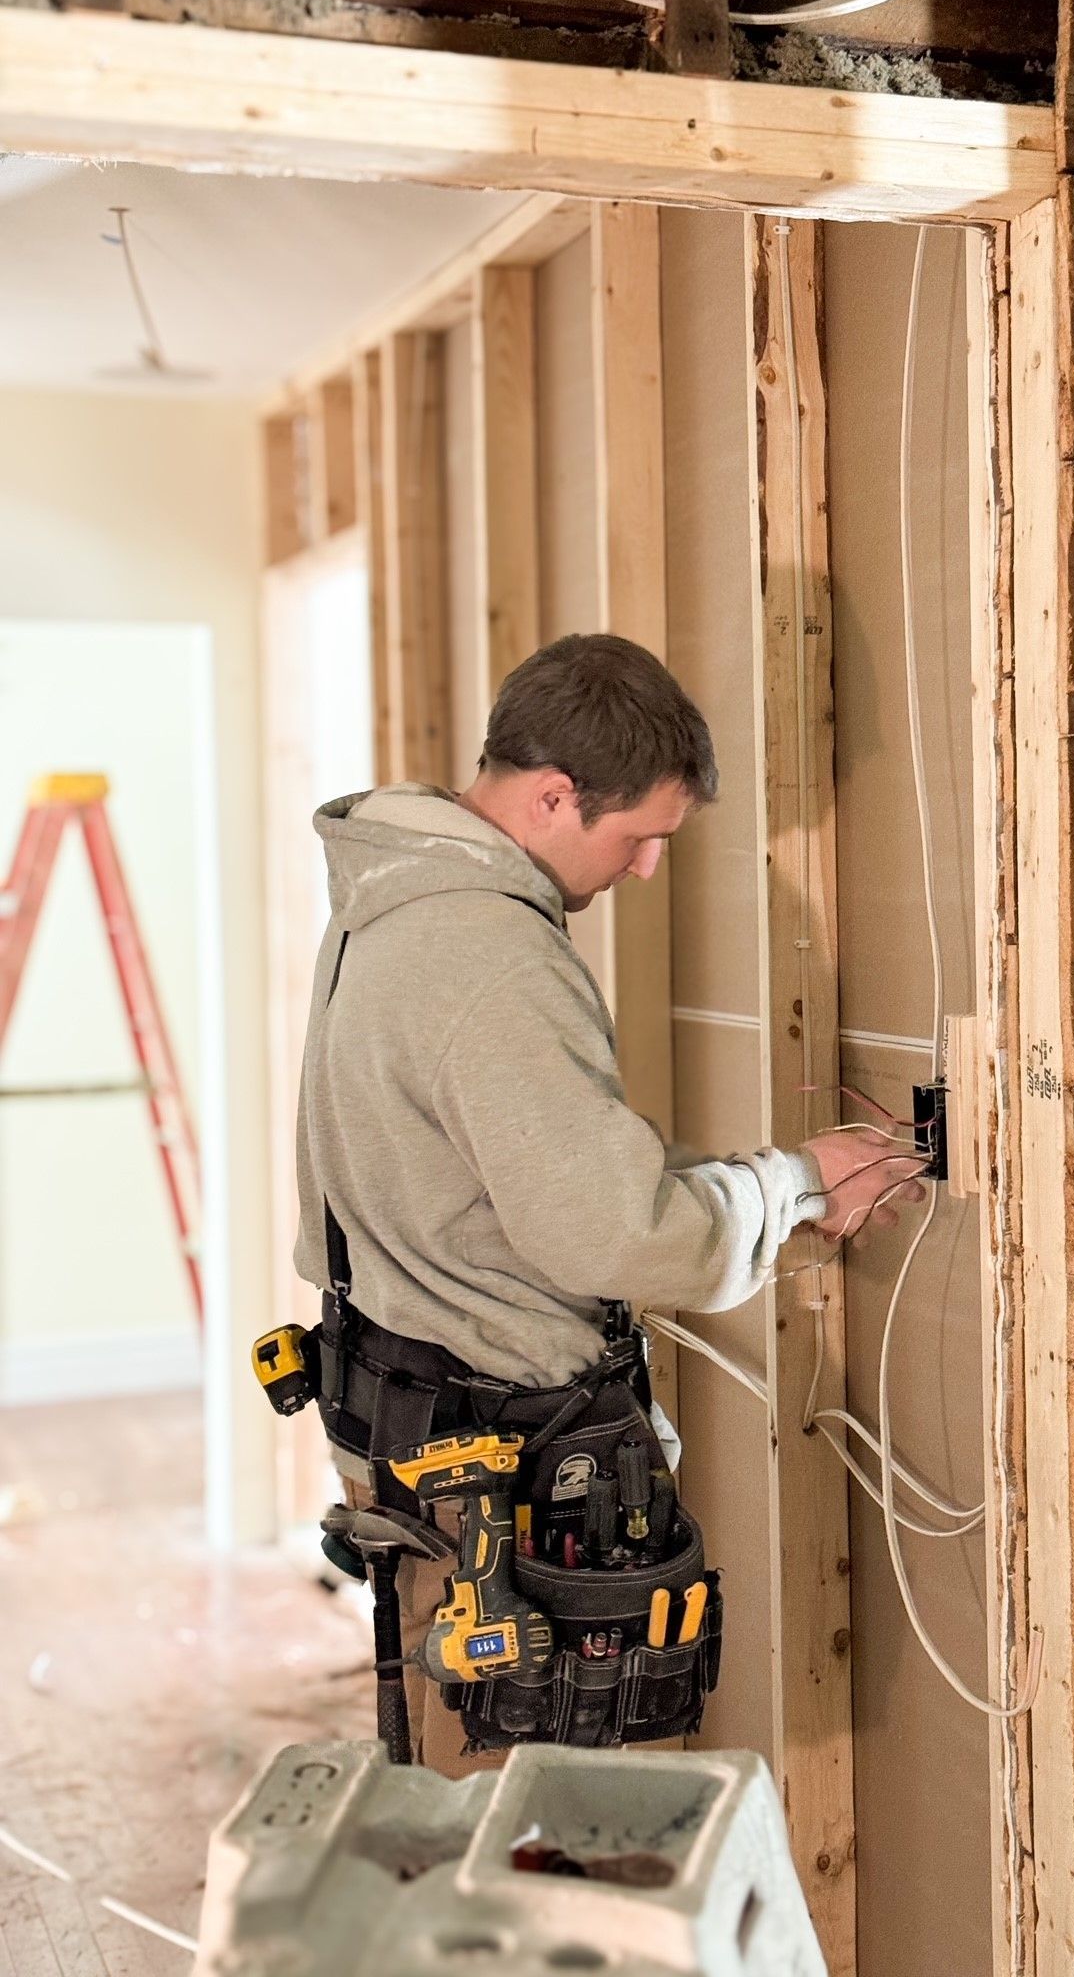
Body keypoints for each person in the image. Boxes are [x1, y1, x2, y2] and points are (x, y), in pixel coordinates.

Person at [295, 632, 923, 1771]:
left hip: (408, 1433)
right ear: (552, 795)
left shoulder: (391, 901)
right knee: (521, 1860)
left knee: (449, 1815)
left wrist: (780, 1199)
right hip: (498, 1492)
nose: (645, 871)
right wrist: (790, 1183)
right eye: (638, 838)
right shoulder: (492, 955)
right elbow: (607, 1230)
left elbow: (529, 1169)